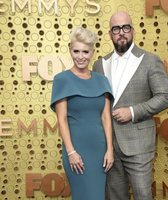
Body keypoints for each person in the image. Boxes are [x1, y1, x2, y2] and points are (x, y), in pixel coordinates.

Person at [93, 11, 168, 200]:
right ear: (110, 34)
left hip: (138, 145)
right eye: (116, 29)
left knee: (142, 195)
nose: (121, 32)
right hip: (109, 147)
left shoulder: (150, 60)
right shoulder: (99, 64)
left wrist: (132, 111)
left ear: (133, 31)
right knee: (114, 197)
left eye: (125, 27)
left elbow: (165, 96)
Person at [50, 27, 114, 200]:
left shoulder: (102, 81)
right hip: (76, 151)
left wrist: (110, 149)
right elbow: (61, 119)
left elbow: (106, 117)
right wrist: (71, 152)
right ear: (70, 49)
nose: (80, 56)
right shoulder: (62, 79)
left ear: (92, 52)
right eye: (76, 51)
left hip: (100, 151)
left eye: (85, 52)